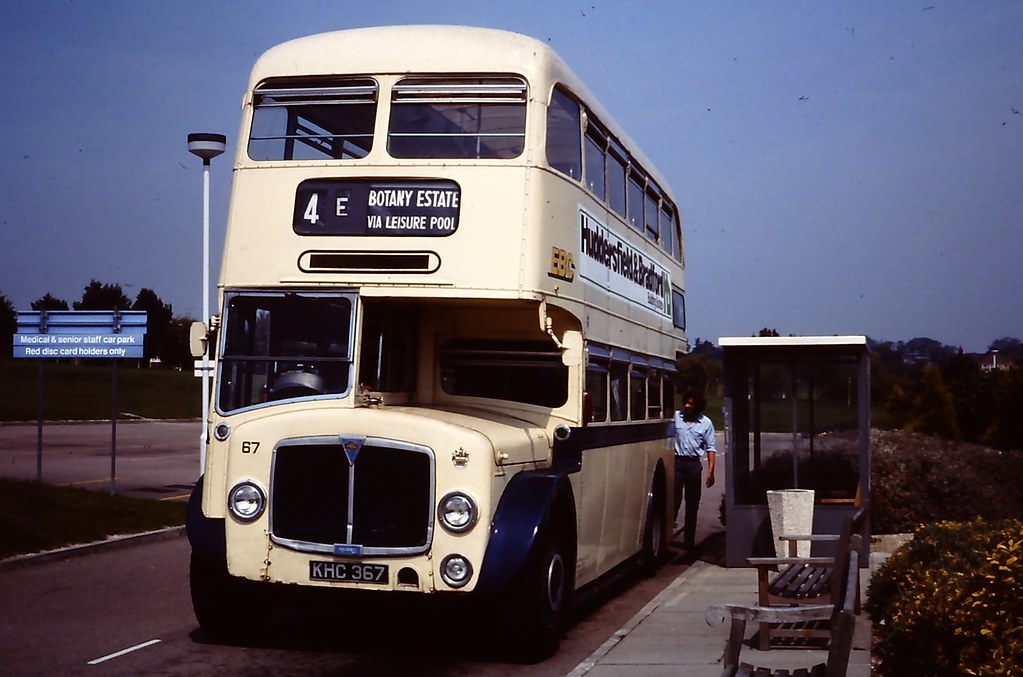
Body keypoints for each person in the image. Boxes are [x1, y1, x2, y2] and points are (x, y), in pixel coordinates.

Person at [672, 390, 716, 549]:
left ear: (698, 406)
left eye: (691, 404)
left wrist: (711, 471)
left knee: (692, 503)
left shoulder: (706, 423)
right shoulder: (676, 417)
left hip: (693, 465)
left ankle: (689, 540)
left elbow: (711, 448)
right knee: (674, 500)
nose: (687, 406)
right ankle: (668, 534)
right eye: (686, 402)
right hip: (677, 463)